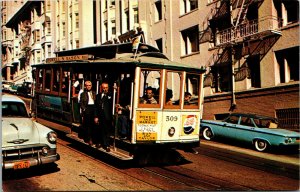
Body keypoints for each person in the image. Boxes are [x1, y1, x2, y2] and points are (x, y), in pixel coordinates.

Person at [94, 82, 113, 152]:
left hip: (107, 116)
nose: (105, 89)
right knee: (99, 129)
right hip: (100, 115)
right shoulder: (98, 96)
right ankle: (99, 142)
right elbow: (96, 107)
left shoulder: (111, 95)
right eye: (103, 88)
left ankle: (107, 145)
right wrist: (96, 116)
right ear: (101, 88)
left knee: (106, 131)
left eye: (106, 88)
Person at [79, 81, 96, 146]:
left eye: (90, 85)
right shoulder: (83, 94)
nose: (88, 86)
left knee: (93, 124)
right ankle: (89, 139)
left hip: (93, 108)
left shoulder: (94, 93)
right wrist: (84, 109)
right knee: (88, 125)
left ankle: (94, 138)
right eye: (87, 85)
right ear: (85, 86)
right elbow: (81, 103)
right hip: (87, 108)